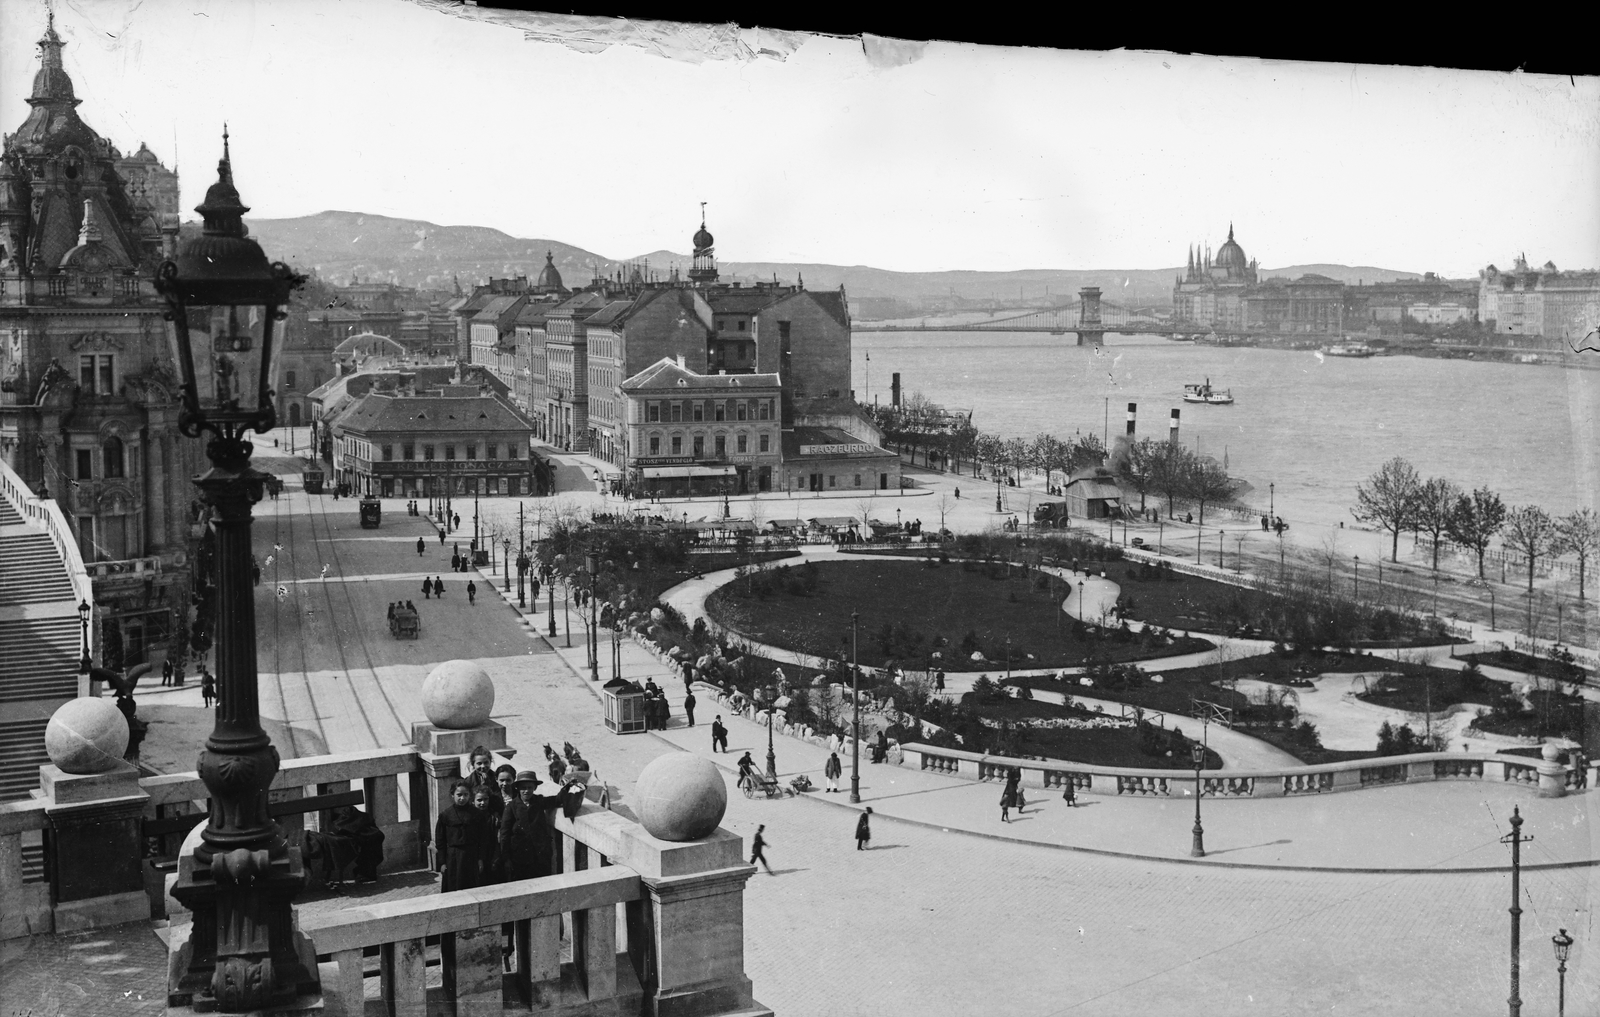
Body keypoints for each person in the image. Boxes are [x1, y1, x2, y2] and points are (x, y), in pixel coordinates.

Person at [432, 780, 494, 892]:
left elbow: (483, 839)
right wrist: (442, 863)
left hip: (472, 856)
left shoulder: (477, 814)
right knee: (453, 886)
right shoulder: (445, 815)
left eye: (465, 795)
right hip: (453, 858)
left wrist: (480, 859)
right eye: (459, 795)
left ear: (470, 795)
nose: (462, 798)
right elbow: (440, 841)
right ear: (452, 795)